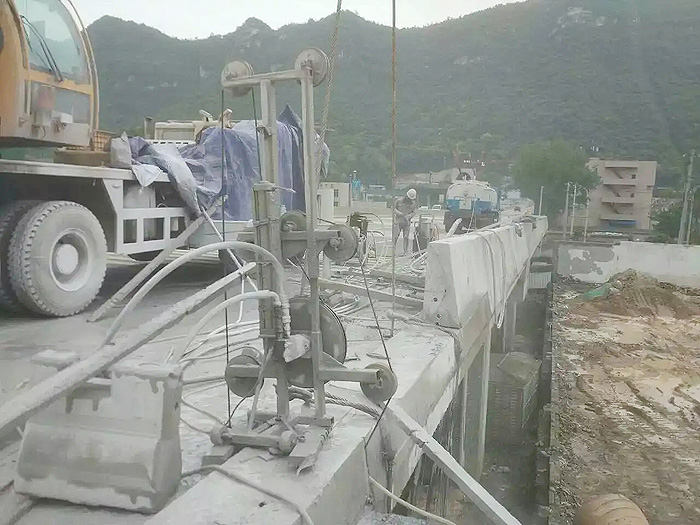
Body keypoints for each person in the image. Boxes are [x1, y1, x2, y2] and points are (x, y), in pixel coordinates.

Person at [393, 188, 418, 255]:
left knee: (406, 237)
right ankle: (393, 250)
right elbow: (393, 208)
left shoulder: (413, 204)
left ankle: (405, 251)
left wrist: (409, 216)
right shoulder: (399, 201)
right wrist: (399, 213)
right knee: (395, 236)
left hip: (406, 223)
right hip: (398, 221)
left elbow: (414, 212)